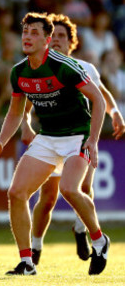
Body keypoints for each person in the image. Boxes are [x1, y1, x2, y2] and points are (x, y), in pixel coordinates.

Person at [0, 12, 110, 276]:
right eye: (25, 32)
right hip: (48, 137)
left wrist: (93, 141)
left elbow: (99, 100)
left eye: (34, 33)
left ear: (47, 40)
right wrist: (1, 142)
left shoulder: (64, 66)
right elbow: (16, 112)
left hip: (77, 135)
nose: (27, 37)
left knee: (70, 189)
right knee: (16, 193)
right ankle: (27, 263)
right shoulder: (19, 72)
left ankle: (99, 240)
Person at [20, 14, 124, 266]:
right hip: (51, 138)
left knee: (80, 188)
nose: (56, 40)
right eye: (52, 36)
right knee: (47, 199)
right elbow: (21, 105)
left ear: (71, 43)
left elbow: (102, 95)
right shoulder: (34, 67)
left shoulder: (85, 68)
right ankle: (35, 248)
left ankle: (82, 230)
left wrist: (115, 112)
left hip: (79, 137)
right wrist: (26, 125)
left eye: (61, 37)